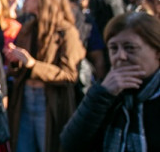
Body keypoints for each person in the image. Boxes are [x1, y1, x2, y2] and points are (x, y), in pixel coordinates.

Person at [4, 0, 86, 152]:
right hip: (24, 98)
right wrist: (15, 61)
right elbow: (17, 71)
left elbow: (70, 74)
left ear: (44, 0)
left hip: (50, 103)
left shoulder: (67, 32)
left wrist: (34, 65)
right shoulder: (28, 28)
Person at [60, 12, 160, 151]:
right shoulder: (105, 93)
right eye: (114, 48)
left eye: (130, 48)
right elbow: (70, 144)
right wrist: (101, 96)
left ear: (157, 52)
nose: (121, 56)